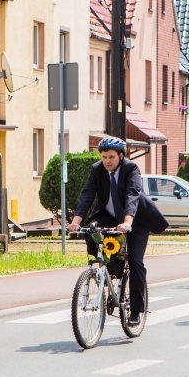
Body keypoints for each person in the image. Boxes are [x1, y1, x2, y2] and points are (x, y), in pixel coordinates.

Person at [66, 137, 168, 325]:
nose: (107, 161)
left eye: (111, 157)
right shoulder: (97, 170)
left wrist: (128, 221)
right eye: (104, 157)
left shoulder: (131, 169)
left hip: (136, 221)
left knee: (135, 261)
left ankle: (136, 311)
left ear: (121, 156)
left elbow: (132, 195)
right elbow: (87, 195)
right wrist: (75, 222)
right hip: (111, 216)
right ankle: (105, 269)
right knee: (91, 229)